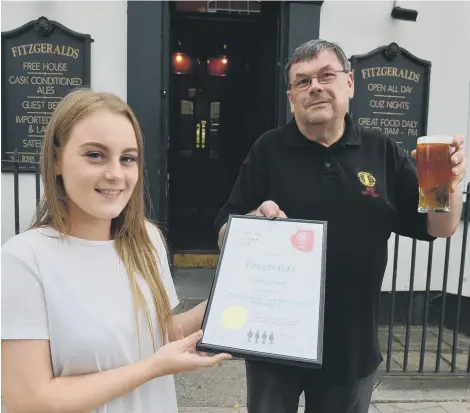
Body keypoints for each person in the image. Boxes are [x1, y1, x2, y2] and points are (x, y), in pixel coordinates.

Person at [214, 39, 467, 413]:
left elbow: (439, 227)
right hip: (275, 342)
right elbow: (224, 232)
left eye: (326, 76)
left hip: (352, 344)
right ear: (291, 96)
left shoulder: (381, 151)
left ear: (349, 83)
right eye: (302, 81)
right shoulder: (268, 150)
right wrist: (251, 226)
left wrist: (449, 185)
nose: (315, 87)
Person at [1, 89, 231, 413]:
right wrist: (153, 368)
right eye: (95, 155)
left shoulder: (146, 239)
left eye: (127, 158)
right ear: (56, 161)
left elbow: (158, 333)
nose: (115, 174)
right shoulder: (24, 259)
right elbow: (29, 400)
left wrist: (233, 297)